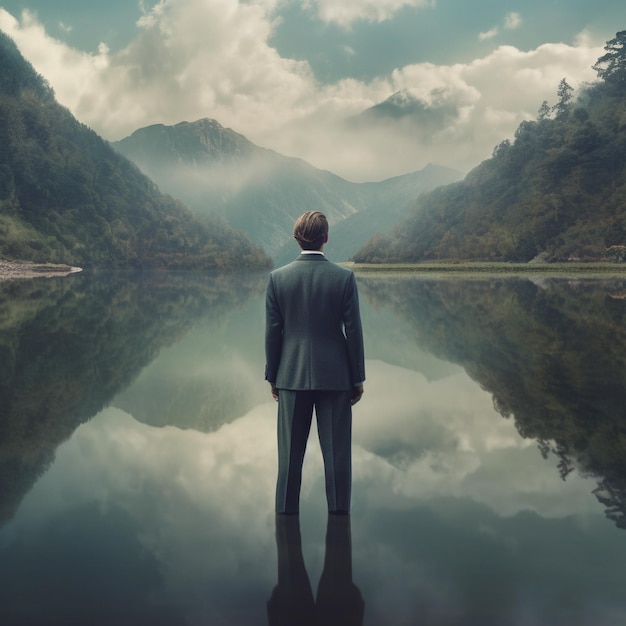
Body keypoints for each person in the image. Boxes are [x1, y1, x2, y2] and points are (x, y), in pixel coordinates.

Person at [265, 211, 365, 515]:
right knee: (337, 459)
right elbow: (354, 332)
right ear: (325, 237)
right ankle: (339, 522)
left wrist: (273, 377)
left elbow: (273, 333)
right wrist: (357, 378)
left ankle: (286, 523)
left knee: (289, 460)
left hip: (291, 377)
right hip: (336, 378)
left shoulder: (278, 278)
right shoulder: (344, 277)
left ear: (296, 238)